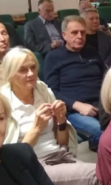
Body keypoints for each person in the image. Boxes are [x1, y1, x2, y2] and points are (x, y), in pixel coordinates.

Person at [0, 47, 108, 185]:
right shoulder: (2, 103)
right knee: (104, 172)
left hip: (60, 156)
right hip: (34, 167)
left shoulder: (43, 90)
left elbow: (62, 143)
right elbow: (14, 158)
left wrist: (61, 119)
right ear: (10, 74)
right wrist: (37, 128)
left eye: (33, 67)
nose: (30, 74)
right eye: (22, 70)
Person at [45, 16, 105, 150]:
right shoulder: (53, 57)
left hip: (102, 105)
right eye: (74, 33)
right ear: (64, 35)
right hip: (74, 111)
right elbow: (51, 91)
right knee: (103, 133)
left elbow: (105, 79)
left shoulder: (92, 52)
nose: (80, 36)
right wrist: (77, 105)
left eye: (83, 32)